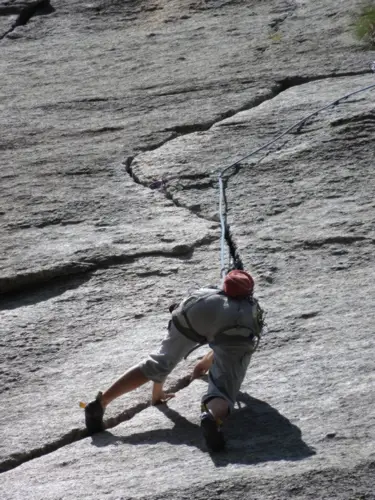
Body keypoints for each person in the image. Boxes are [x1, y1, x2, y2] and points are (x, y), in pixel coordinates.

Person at [82, 269, 264, 452]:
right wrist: (204, 367)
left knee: (158, 362)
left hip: (194, 311)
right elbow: (227, 350)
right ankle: (211, 417)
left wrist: (159, 390)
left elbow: (168, 361)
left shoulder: (204, 294)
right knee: (223, 389)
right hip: (236, 325)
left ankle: (101, 402)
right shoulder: (250, 311)